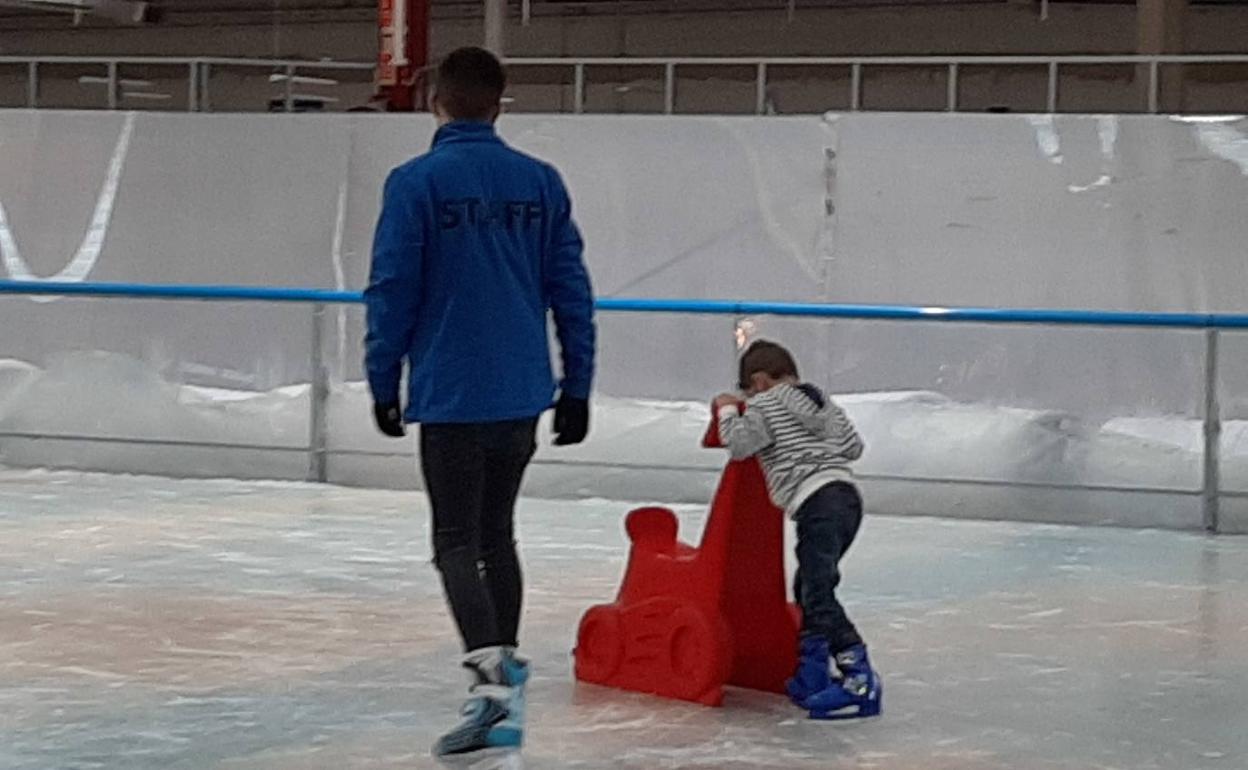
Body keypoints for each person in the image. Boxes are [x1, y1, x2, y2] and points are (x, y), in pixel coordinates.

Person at [363, 46, 595, 759]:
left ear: (436, 101)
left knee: (456, 542)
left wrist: (383, 379)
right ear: (498, 103)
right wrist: (576, 386)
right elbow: (571, 290)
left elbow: (392, 287)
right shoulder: (540, 182)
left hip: (454, 392)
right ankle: (508, 673)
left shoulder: (415, 183)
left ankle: (492, 689)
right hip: (522, 392)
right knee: (496, 535)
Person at [713, 340, 881, 720]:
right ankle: (812, 671)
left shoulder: (765, 403)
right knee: (807, 587)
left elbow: (740, 445)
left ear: (757, 381)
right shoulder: (823, 402)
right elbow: (853, 447)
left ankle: (859, 678)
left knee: (818, 592)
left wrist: (726, 410)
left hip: (816, 500)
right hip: (846, 498)